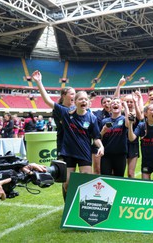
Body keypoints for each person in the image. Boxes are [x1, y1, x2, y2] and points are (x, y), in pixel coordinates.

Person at [31, 70, 104, 201]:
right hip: (68, 153)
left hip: (84, 153)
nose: (83, 101)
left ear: (88, 102)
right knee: (67, 184)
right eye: (80, 99)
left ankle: (82, 207)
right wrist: (39, 82)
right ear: (75, 102)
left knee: (86, 183)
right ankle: (69, 207)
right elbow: (48, 101)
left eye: (86, 99)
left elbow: (96, 137)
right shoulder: (66, 113)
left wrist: (101, 146)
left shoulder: (92, 118)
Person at [100, 98, 130, 177]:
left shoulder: (123, 119)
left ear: (121, 107)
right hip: (106, 155)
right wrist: (103, 131)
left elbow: (128, 124)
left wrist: (126, 108)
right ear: (110, 107)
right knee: (105, 178)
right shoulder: (104, 121)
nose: (115, 104)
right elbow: (99, 138)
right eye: (113, 103)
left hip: (120, 154)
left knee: (119, 179)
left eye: (118, 103)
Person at [92, 95, 112, 174]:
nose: (106, 104)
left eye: (108, 101)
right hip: (97, 144)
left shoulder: (117, 114)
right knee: (97, 170)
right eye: (104, 102)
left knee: (111, 171)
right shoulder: (97, 114)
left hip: (111, 145)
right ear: (102, 105)